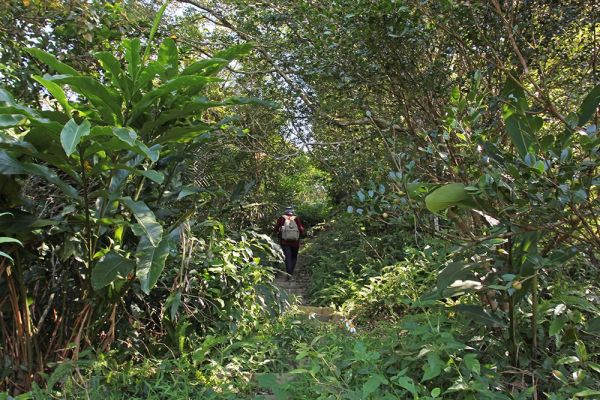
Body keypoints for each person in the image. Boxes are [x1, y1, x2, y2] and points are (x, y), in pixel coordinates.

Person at [273, 207, 305, 280]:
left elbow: (276, 228)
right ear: (292, 212)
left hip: (285, 242)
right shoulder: (296, 218)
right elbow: (301, 229)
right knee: (294, 257)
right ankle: (291, 273)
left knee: (287, 258)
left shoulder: (282, 218)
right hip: (295, 242)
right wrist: (301, 234)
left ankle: (289, 275)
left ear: (285, 212)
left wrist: (275, 233)